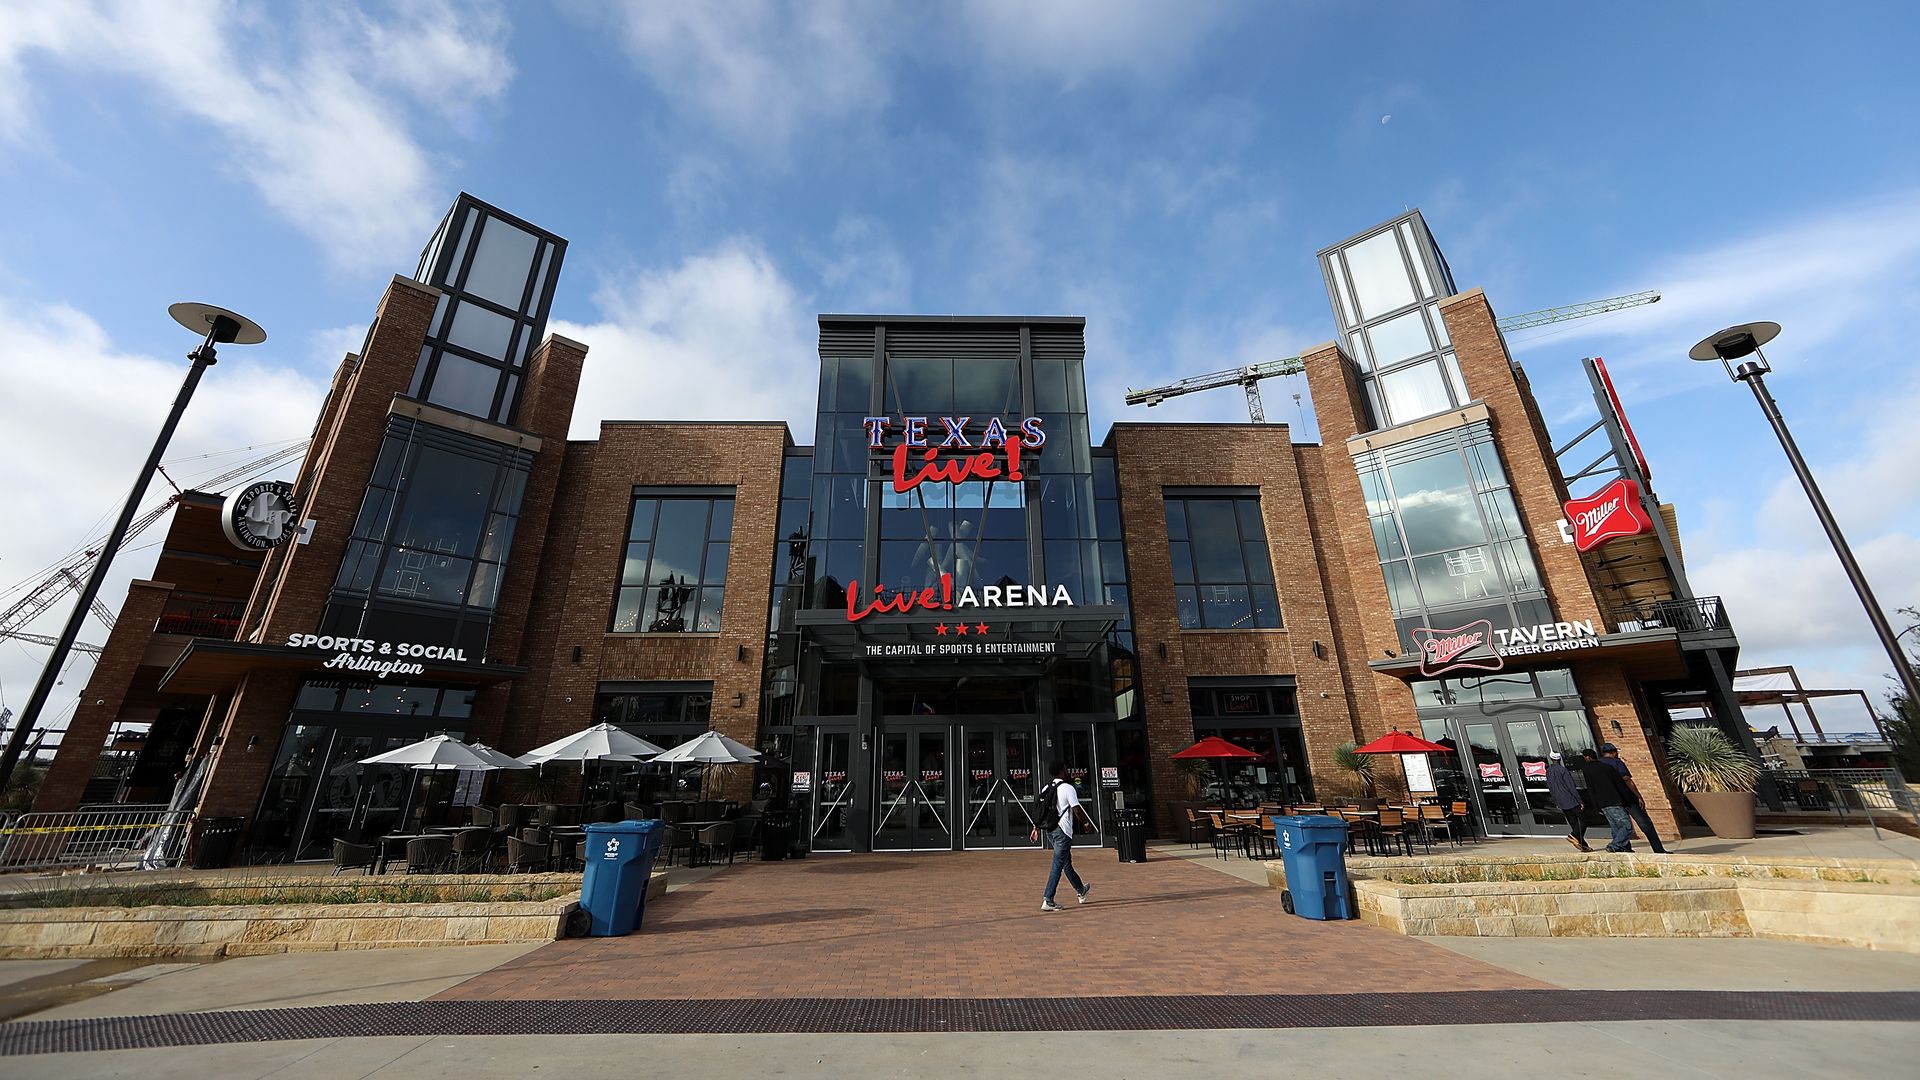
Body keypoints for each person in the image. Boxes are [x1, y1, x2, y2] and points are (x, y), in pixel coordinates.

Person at [1029, 762, 1092, 912]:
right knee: (1058, 864)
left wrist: (1035, 826)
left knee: (1065, 863)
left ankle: (1081, 890)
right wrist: (1086, 823)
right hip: (1062, 832)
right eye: (1065, 768)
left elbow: (1040, 809)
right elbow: (1076, 810)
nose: (1067, 770)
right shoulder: (1068, 788)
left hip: (1050, 830)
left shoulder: (1047, 787)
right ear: (1062, 771)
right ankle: (1048, 899)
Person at [1600, 743, 1671, 854]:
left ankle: (1624, 847)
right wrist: (1639, 796)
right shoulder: (1617, 762)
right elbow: (1627, 780)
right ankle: (1658, 849)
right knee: (1645, 823)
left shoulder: (1599, 764)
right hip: (1628, 797)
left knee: (1618, 826)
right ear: (1614, 752)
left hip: (1612, 799)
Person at [1578, 748, 1637, 852]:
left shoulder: (1587, 770)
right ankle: (1614, 845)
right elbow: (1620, 784)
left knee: (1616, 827)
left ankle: (1623, 847)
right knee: (1626, 825)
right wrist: (1628, 799)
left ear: (1587, 757)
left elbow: (1591, 789)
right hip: (1614, 801)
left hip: (1602, 803)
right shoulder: (1607, 768)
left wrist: (1595, 805)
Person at [1544, 751, 1589, 852]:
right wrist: (1580, 800)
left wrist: (1555, 800)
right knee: (1583, 820)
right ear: (1560, 759)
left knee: (1573, 822)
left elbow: (1550, 787)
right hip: (1570, 799)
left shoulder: (1548, 771)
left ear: (1551, 759)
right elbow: (1571, 786)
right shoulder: (1563, 770)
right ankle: (1573, 835)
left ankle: (1583, 845)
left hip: (1560, 800)